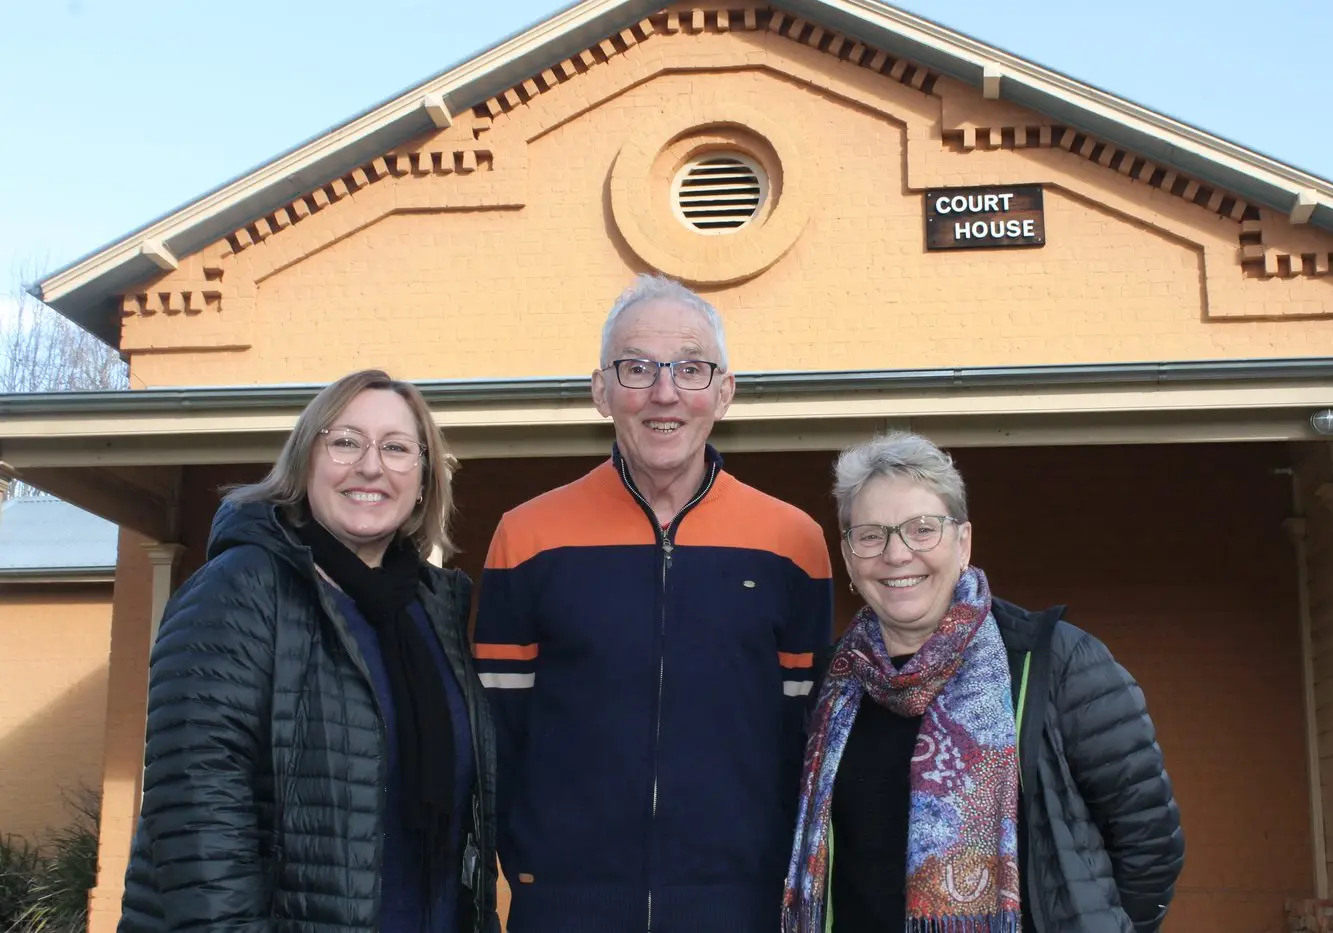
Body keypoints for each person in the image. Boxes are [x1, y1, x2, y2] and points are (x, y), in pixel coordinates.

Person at [473, 274, 834, 933]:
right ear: (600, 391)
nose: (664, 393)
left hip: (740, 908)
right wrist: (531, 869)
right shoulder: (525, 537)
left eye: (690, 369)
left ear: (722, 392)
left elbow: (805, 740)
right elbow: (494, 738)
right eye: (636, 368)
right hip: (563, 907)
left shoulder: (793, 543)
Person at [118, 369, 500, 933]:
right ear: (305, 461)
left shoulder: (435, 612)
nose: (370, 466)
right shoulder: (241, 587)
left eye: (396, 448)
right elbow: (197, 815)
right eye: (345, 441)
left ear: (422, 480)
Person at [784, 432, 1183, 933]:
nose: (897, 553)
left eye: (922, 529)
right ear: (848, 557)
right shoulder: (831, 686)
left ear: (963, 541)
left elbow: (1149, 842)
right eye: (871, 535)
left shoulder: (1056, 662)